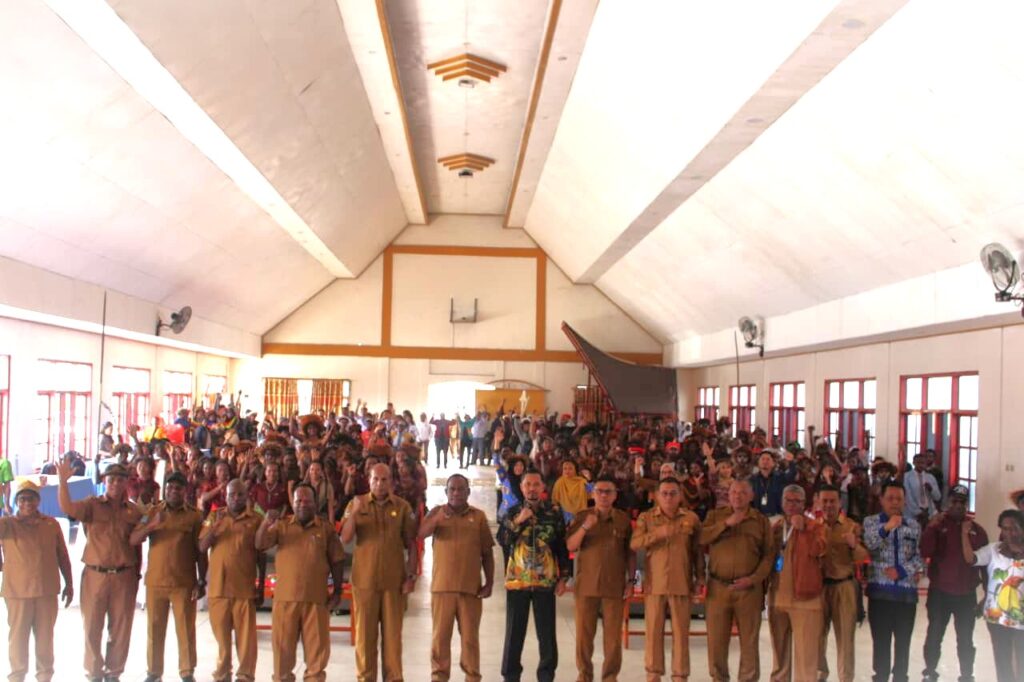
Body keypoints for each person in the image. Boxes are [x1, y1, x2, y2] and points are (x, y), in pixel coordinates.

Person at [58, 458, 142, 682]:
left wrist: (137, 574)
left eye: (120, 480)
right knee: (92, 628)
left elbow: (139, 545)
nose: (115, 483)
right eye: (111, 479)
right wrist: (62, 483)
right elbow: (67, 508)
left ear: (126, 483)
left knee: (121, 629)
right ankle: (94, 673)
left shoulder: (134, 512)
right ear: (104, 481)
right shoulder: (91, 505)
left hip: (124, 576)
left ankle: (114, 673)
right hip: (95, 575)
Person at [256, 484, 345, 682]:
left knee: (317, 658)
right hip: (285, 601)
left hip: (316, 601)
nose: (302, 504)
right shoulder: (282, 525)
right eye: (298, 501)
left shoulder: (325, 529)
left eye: (307, 501)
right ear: (292, 503)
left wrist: (337, 591)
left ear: (315, 503)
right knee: (282, 657)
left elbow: (337, 560)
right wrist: (265, 523)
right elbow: (260, 544)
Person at [341, 463, 418, 682]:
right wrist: (354, 514)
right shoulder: (357, 504)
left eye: (384, 480)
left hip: (394, 582)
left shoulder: (402, 507)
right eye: (375, 479)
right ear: (369, 480)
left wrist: (411, 576)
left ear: (391, 481)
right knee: (365, 639)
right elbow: (345, 538)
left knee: (393, 640)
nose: (380, 484)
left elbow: (411, 543)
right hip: (364, 582)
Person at [417, 473, 495, 682]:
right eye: (452, 489)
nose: (456, 493)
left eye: (461, 489)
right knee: (440, 640)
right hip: (442, 589)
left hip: (471, 590)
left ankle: (472, 677)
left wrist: (489, 583)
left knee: (470, 640)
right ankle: (439, 677)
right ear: (446, 492)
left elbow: (487, 553)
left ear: (468, 492)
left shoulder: (478, 517)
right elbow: (421, 534)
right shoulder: (437, 512)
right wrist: (437, 520)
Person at [130, 471, 205, 682]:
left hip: (184, 582)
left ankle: (187, 671)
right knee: (154, 629)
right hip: (156, 581)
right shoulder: (152, 512)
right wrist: (152, 525)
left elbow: (200, 551)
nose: (173, 491)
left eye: (178, 488)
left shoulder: (195, 516)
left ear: (185, 491)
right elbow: (134, 538)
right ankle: (154, 672)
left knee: (186, 629)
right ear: (165, 489)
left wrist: (202, 580)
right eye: (170, 488)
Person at [700, 478, 774, 682]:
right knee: (716, 641)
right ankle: (719, 678)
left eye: (742, 492)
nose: (737, 496)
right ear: (728, 495)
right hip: (718, 587)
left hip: (748, 589)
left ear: (751, 496)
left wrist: (754, 579)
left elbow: (769, 555)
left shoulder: (760, 521)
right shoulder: (715, 516)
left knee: (749, 642)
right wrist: (725, 524)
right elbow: (701, 538)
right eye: (733, 492)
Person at [0, 480, 74, 682]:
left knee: (45, 640)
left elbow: (63, 556)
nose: (27, 503)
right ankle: (16, 677)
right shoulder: (7, 524)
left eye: (31, 498)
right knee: (18, 640)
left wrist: (69, 583)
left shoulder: (51, 524)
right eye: (22, 499)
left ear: (38, 501)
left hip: (46, 592)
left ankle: (44, 677)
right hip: (17, 594)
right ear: (16, 502)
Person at [631, 476, 703, 682]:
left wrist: (700, 578)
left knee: (681, 633)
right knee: (653, 632)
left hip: (682, 582)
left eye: (673, 493)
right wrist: (658, 534)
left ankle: (680, 674)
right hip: (655, 584)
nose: (669, 497)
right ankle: (653, 673)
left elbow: (697, 551)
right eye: (664, 493)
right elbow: (634, 544)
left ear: (680, 496)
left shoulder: (691, 518)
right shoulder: (647, 518)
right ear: (656, 496)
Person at [500, 470, 570, 682]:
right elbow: (503, 541)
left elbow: (561, 546)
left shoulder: (554, 512)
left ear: (542, 488)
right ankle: (511, 676)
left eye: (536, 484)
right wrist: (518, 521)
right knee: (514, 633)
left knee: (547, 634)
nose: (532, 488)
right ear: (521, 488)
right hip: (517, 582)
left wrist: (564, 577)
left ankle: (547, 675)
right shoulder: (511, 511)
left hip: (545, 582)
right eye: (527, 484)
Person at [566, 475, 634, 682]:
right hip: (586, 586)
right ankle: (584, 675)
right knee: (584, 638)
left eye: (608, 492)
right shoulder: (582, 516)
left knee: (613, 639)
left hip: (614, 587)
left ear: (615, 495)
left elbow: (630, 553)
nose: (603, 495)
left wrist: (631, 581)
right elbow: (570, 546)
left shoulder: (623, 520)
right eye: (599, 491)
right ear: (592, 493)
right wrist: (586, 526)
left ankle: (610, 677)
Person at [919, 484, 989, 682]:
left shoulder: (977, 531)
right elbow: (924, 551)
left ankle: (967, 675)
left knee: (966, 639)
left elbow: (985, 565)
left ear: (967, 505)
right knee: (934, 636)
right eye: (954, 501)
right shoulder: (938, 525)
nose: (958, 506)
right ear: (948, 503)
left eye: (962, 502)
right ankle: (930, 672)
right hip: (940, 593)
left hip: (966, 595)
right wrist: (931, 528)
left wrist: (986, 595)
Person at [200, 479, 264, 682]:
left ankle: (245, 675)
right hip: (218, 588)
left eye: (240, 495)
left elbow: (261, 555)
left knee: (246, 641)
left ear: (247, 497)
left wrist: (260, 585)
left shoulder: (255, 519)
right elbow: (202, 546)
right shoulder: (214, 516)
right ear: (225, 496)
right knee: (222, 640)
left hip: (244, 588)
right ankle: (222, 674)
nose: (236, 498)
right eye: (231, 495)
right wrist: (214, 528)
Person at [864, 481, 924, 682]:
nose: (895, 502)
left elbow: (919, 557)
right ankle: (879, 677)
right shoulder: (871, 522)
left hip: (906, 596)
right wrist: (887, 527)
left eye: (899, 498)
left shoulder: (914, 525)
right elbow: (870, 544)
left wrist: (902, 571)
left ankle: (901, 677)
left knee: (903, 643)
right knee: (880, 643)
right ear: (881, 500)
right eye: (890, 498)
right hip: (879, 595)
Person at [768, 484, 826, 682]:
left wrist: (805, 530)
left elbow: (821, 551)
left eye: (797, 501)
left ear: (805, 504)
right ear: (782, 502)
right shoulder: (776, 528)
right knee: (779, 659)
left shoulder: (816, 526)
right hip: (778, 599)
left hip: (806, 600)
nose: (792, 505)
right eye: (788, 500)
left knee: (806, 660)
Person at [964, 508, 1024, 682]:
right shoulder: (993, 550)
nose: (1010, 533)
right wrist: (964, 534)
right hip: (997, 617)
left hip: (1021, 618)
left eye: (1014, 528)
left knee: (1021, 662)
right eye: (1005, 528)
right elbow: (971, 559)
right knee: (1002, 660)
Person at [817, 484, 868, 682]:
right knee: (817, 637)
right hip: (819, 588)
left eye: (832, 501)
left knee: (846, 639)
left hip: (844, 587)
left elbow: (863, 556)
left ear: (840, 502)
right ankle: (820, 674)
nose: (829, 505)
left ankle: (846, 677)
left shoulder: (851, 526)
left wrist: (853, 545)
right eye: (825, 501)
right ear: (819, 502)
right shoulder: (814, 527)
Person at [902, 453, 941, 526]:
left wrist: (931, 489)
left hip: (929, 512)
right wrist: (918, 512)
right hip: (912, 513)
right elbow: (908, 497)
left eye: (923, 463)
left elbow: (938, 497)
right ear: (913, 463)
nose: (920, 465)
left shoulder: (930, 477)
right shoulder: (907, 477)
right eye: (918, 463)